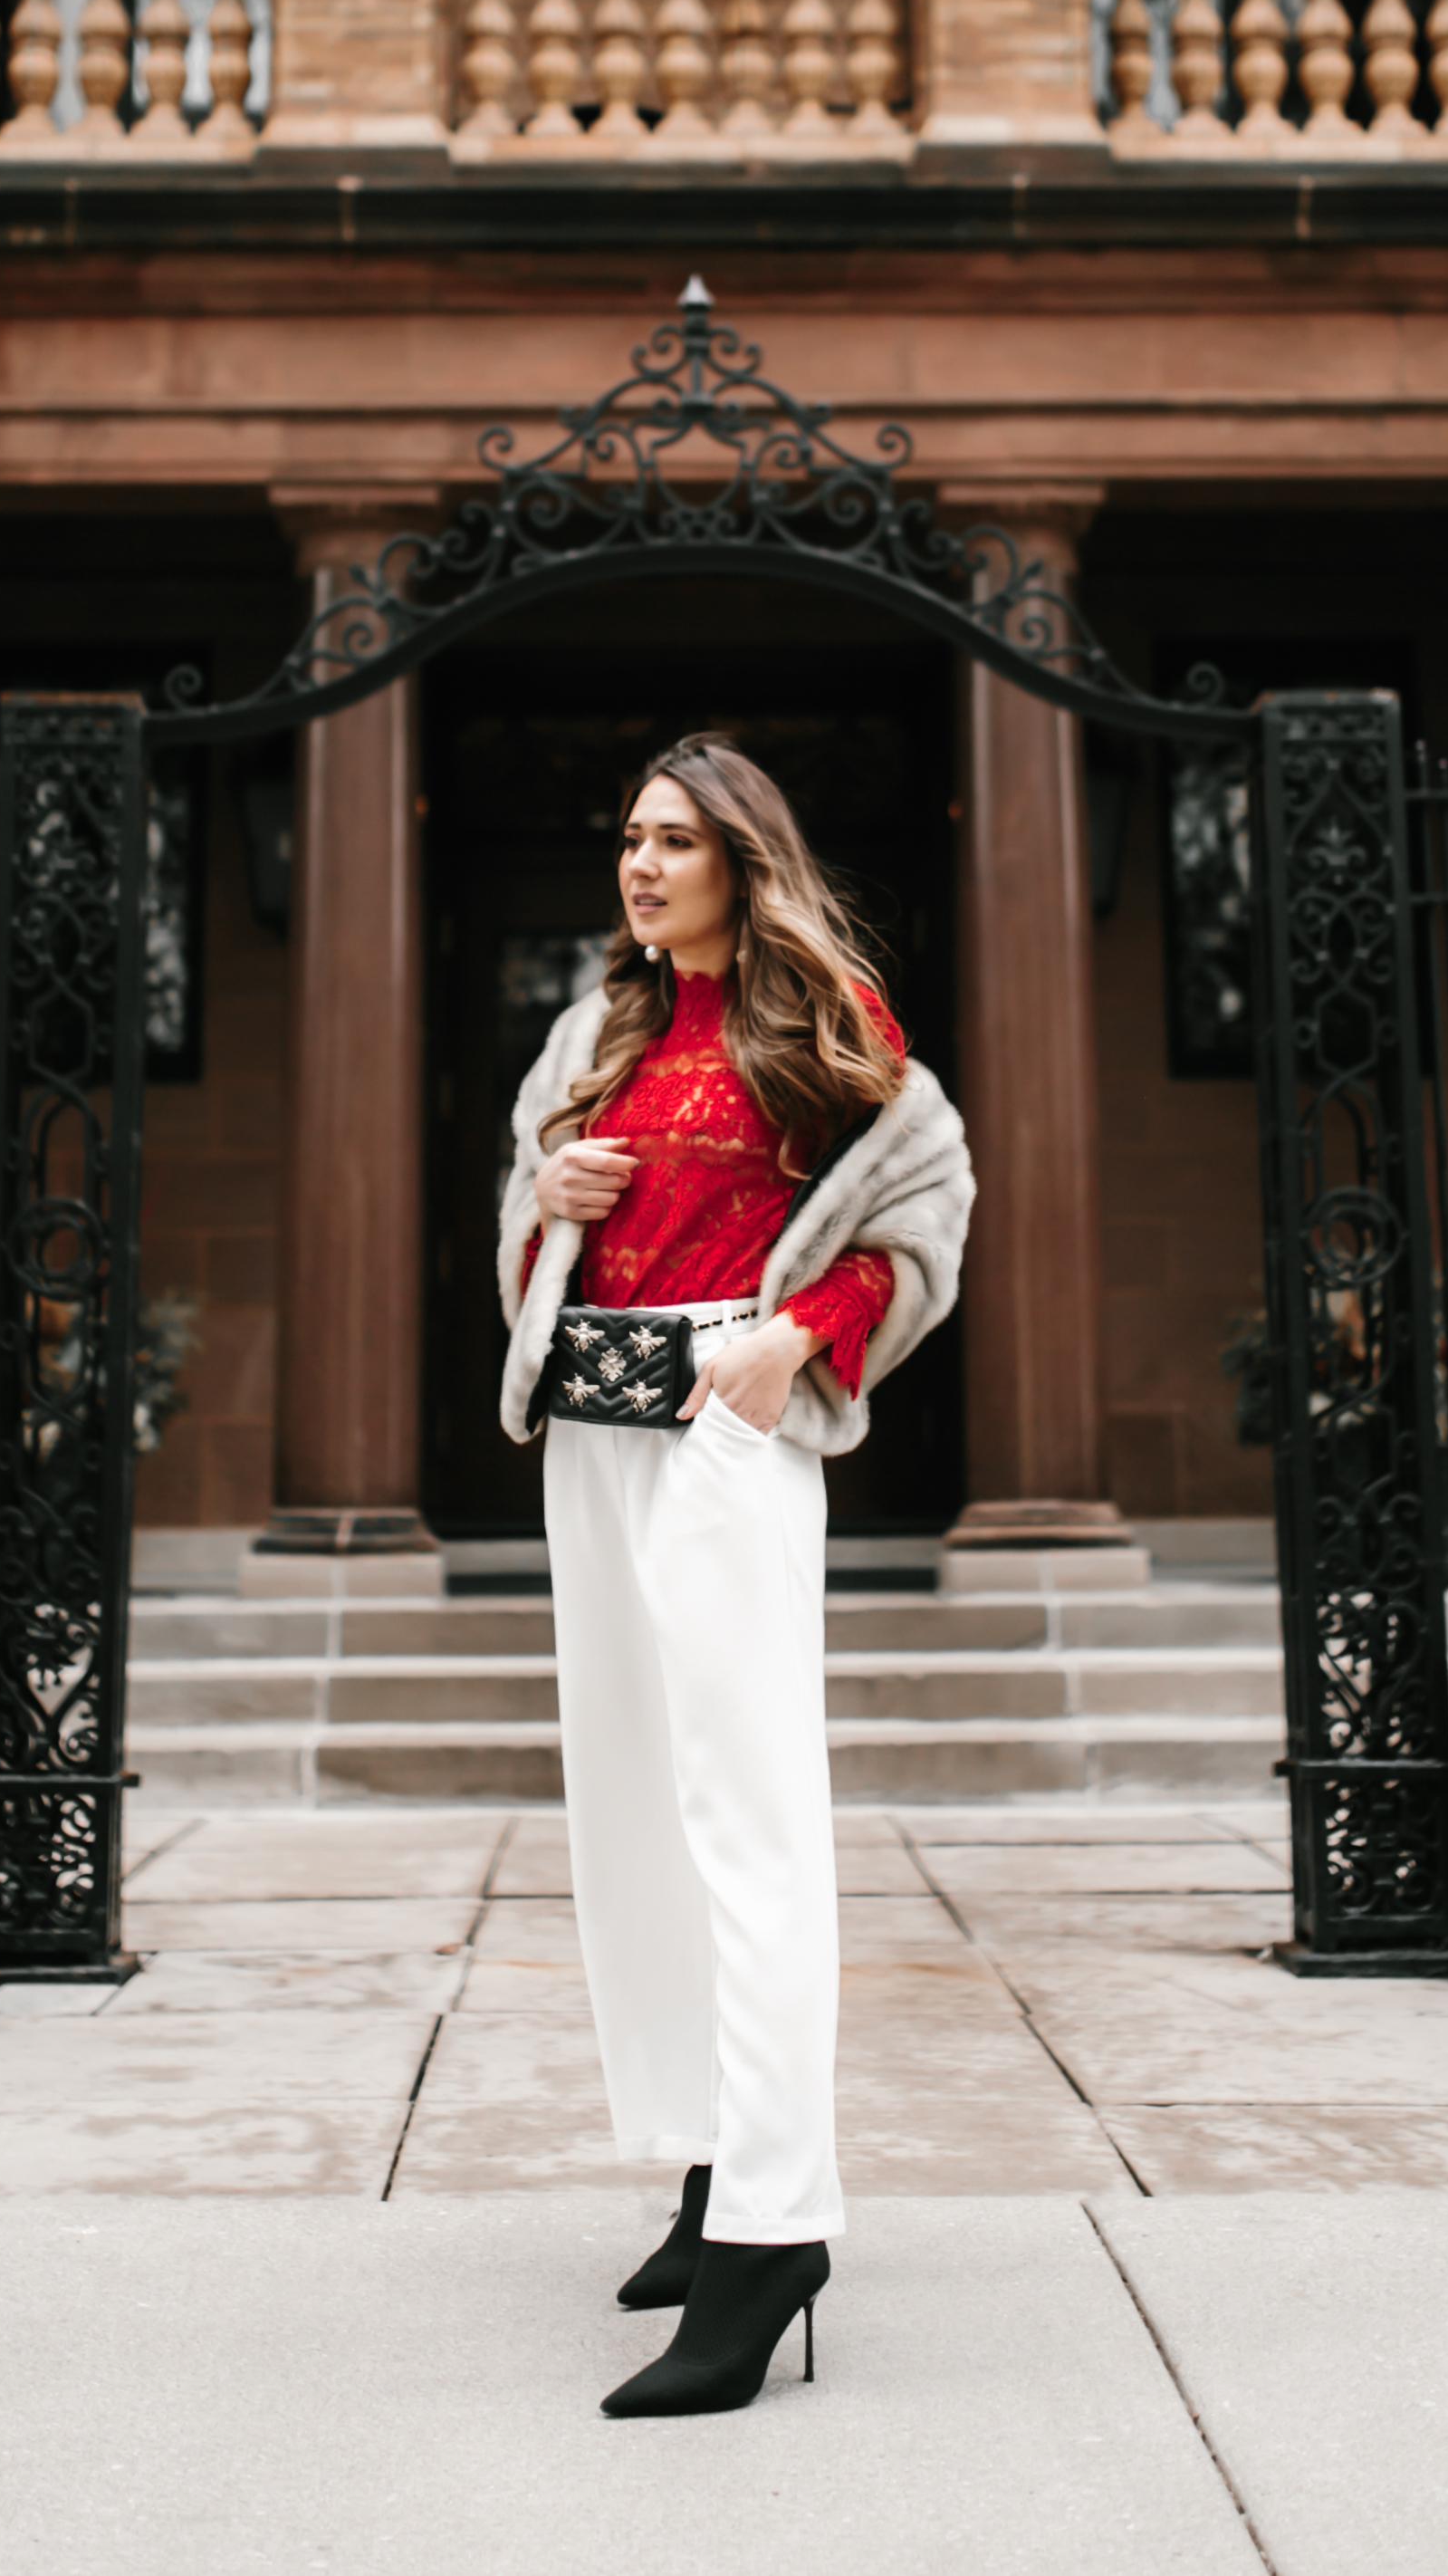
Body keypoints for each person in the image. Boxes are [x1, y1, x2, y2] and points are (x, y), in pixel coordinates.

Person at [497, 733, 974, 2418]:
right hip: (591, 1430)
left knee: (751, 1827)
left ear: (742, 860)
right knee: (633, 1814)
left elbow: (923, 1216)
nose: (641, 868)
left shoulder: (824, 1023)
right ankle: (708, 2175)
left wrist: (801, 1340)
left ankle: (777, 2232)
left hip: (722, 1435)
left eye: (677, 843)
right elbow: (534, 1230)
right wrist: (543, 1196)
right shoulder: (597, 1031)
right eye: (628, 838)